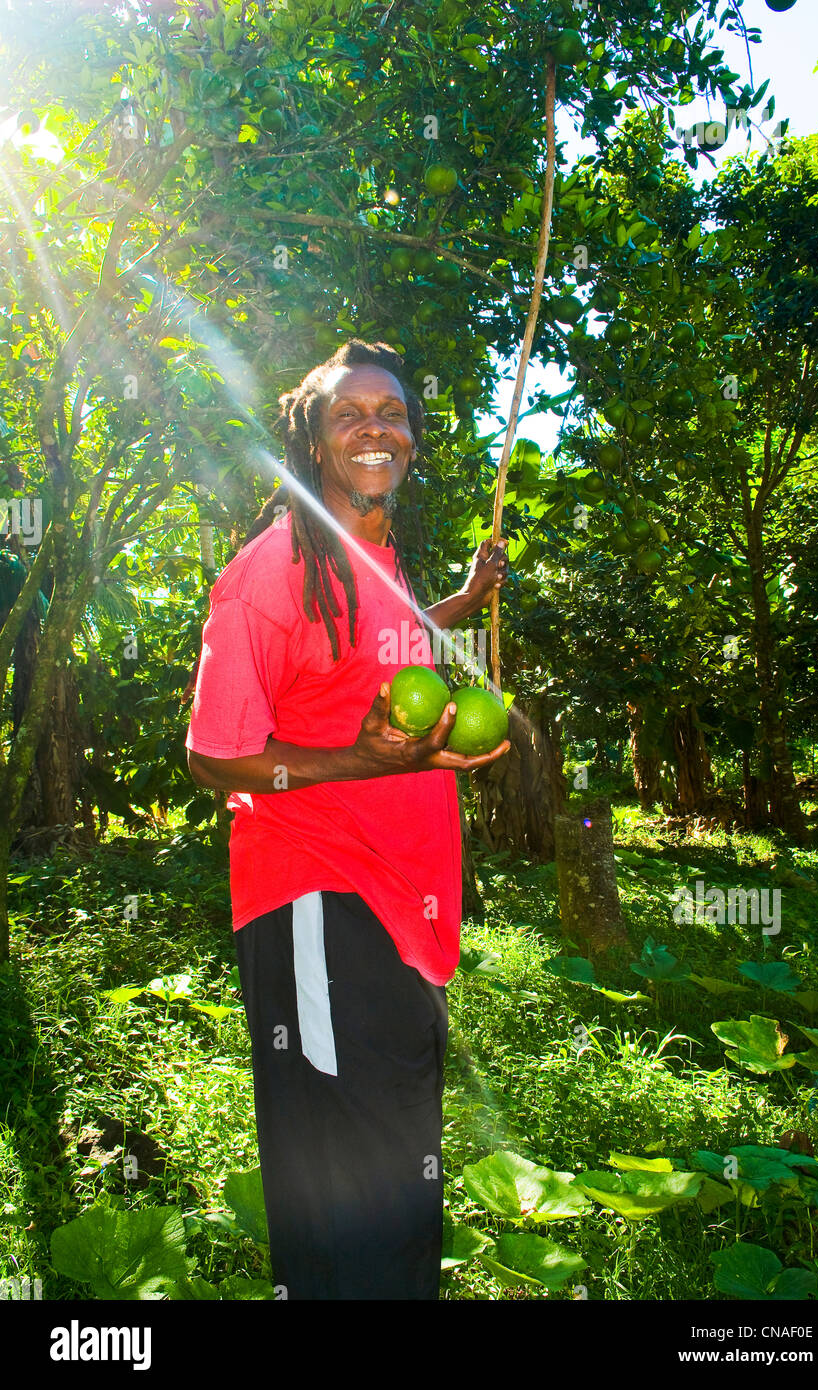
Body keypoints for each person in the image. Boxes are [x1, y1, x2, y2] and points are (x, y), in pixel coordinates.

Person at [185, 338, 510, 1300]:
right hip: (320, 899)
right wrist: (361, 759)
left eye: (394, 413)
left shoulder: (376, 562)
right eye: (350, 413)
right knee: (350, 1179)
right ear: (315, 442)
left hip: (403, 914)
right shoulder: (271, 569)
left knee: (394, 1155)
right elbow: (212, 752)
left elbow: (396, 635)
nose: (378, 426)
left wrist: (468, 599)